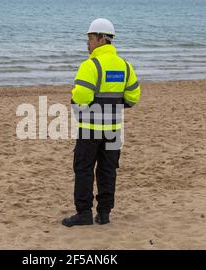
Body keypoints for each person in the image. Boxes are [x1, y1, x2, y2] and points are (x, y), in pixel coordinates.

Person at [62, 18, 141, 227]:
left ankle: (84, 214)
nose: (87, 43)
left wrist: (80, 105)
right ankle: (104, 214)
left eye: (89, 38)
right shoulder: (125, 66)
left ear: (100, 39)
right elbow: (133, 97)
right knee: (108, 170)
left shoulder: (91, 65)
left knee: (84, 169)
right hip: (114, 130)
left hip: (90, 129)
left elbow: (81, 97)